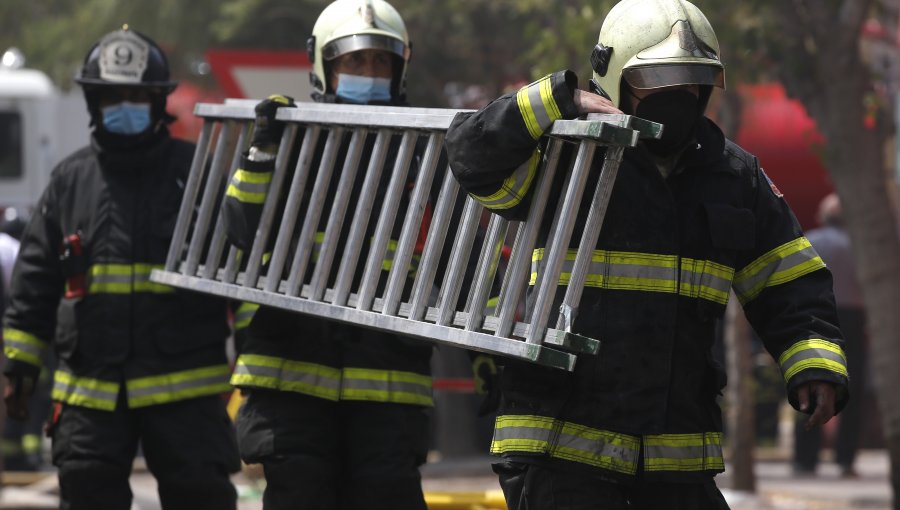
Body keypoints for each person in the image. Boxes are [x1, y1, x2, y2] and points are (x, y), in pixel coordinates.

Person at [444, 1, 850, 508]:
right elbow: (470, 155)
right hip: (559, 447)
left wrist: (814, 364)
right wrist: (556, 100)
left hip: (675, 455)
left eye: (691, 81)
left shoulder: (733, 176)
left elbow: (789, 279)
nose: (676, 96)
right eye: (656, 78)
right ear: (613, 79)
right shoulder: (561, 156)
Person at [2, 26, 241, 509]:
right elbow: (33, 286)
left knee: (201, 497)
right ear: (94, 102)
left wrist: (255, 366)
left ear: (158, 102)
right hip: (91, 396)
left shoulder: (195, 175)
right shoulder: (69, 182)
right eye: (113, 96)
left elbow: (240, 273)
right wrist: (18, 368)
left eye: (137, 95)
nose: (126, 106)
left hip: (186, 393)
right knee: (87, 493)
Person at [223, 1, 433, 508]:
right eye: (354, 62)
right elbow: (240, 229)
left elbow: (459, 265)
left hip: (389, 385)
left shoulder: (425, 153)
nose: (369, 73)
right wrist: (264, 152)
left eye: (381, 62)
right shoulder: (287, 141)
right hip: (290, 379)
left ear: (400, 68)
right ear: (324, 66)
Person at [793, 193, 865, 478]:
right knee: (853, 387)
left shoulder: (809, 240)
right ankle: (845, 459)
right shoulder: (857, 246)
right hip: (853, 319)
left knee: (810, 382)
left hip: (815, 318)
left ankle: (805, 459)